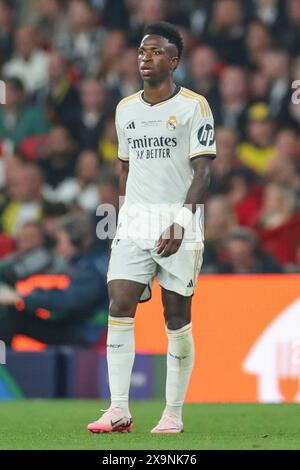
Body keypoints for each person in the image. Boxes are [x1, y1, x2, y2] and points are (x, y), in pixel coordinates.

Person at [88, 22, 216, 434]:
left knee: (175, 316)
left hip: (180, 221)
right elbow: (124, 169)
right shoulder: (125, 109)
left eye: (156, 51)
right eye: (142, 51)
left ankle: (173, 413)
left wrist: (181, 222)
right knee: (119, 304)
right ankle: (118, 409)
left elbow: (203, 173)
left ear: (174, 61)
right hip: (134, 223)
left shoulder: (194, 106)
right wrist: (124, 215)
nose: (146, 57)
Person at [0, 213, 109, 347]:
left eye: (60, 241)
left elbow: (69, 301)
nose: (58, 247)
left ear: (76, 240)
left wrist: (20, 297)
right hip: (75, 326)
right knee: (16, 314)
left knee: (13, 317)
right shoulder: (83, 263)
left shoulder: (90, 268)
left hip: (83, 333)